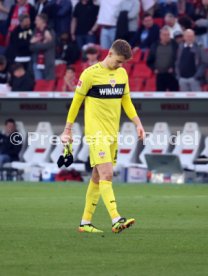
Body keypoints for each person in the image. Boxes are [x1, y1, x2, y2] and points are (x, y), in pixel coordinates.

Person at [60, 39, 145, 233]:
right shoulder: (90, 74)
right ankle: (116, 219)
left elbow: (127, 101)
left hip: (112, 134)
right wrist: (67, 129)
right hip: (96, 134)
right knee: (107, 173)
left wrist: (138, 124)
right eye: (119, 61)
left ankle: (85, 223)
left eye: (123, 62)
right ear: (110, 54)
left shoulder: (122, 74)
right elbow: (76, 103)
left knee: (98, 177)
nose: (120, 65)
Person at [147, 27, 179, 91]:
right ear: (160, 36)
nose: (167, 37)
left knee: (175, 95)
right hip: (160, 75)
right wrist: (154, 69)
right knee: (160, 94)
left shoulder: (175, 45)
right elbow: (149, 61)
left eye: (168, 35)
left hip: (172, 74)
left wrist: (173, 67)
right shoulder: (155, 45)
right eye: (165, 35)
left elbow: (179, 58)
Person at [30, 13, 55, 80]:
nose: (35, 22)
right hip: (36, 62)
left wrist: (36, 43)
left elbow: (49, 45)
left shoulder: (50, 31)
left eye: (37, 20)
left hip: (48, 62)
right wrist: (42, 42)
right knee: (38, 85)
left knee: (48, 86)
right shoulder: (35, 32)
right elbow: (30, 47)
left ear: (42, 21)